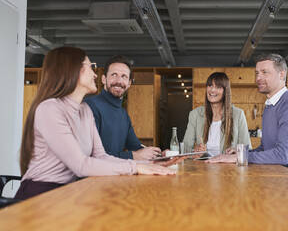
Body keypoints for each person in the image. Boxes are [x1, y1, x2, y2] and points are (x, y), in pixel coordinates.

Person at [16, 47, 175, 200]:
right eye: (90, 67)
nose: (95, 74)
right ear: (73, 70)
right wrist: (136, 167)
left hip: (69, 192)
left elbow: (101, 156)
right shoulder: (50, 109)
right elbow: (80, 165)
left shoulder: (85, 110)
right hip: (40, 194)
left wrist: (149, 163)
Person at [208, 54, 288, 178]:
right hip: (281, 175)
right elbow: (264, 147)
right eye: (257, 73)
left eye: (264, 72)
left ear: (282, 74)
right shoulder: (269, 105)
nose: (258, 78)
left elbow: (282, 155)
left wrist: (240, 157)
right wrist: (242, 152)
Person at [84, 55, 161, 160]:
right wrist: (133, 156)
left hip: (115, 174)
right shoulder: (89, 107)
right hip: (94, 176)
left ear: (129, 83)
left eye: (124, 76)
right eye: (114, 75)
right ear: (103, 79)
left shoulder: (123, 114)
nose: (119, 81)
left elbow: (136, 147)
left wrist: (160, 155)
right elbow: (92, 157)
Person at [183, 72, 251, 157]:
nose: (212, 90)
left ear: (225, 91)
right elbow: (185, 149)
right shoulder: (195, 114)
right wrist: (195, 151)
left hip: (229, 169)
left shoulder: (238, 114)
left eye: (218, 87)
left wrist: (237, 151)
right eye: (210, 85)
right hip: (202, 168)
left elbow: (248, 150)